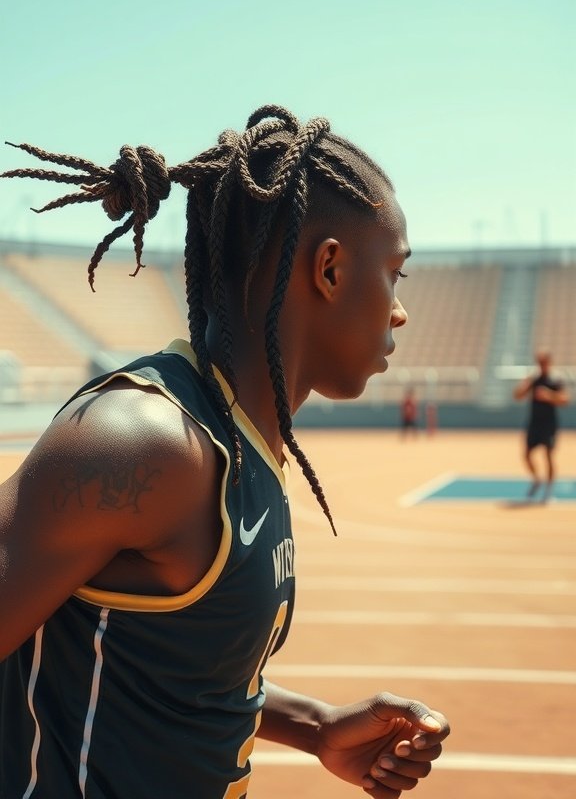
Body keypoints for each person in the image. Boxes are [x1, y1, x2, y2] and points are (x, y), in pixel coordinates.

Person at [0, 105, 449, 798]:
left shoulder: (241, 441)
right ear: (329, 269)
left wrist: (315, 726)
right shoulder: (144, 443)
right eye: (396, 274)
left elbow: (175, 672)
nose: (399, 310)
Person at [513, 349, 570, 502]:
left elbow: (565, 400)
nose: (541, 364)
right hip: (534, 423)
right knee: (526, 455)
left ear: (549, 362)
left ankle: (549, 489)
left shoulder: (555, 379)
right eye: (539, 361)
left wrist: (548, 395)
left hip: (549, 424)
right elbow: (517, 396)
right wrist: (525, 384)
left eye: (543, 361)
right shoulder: (534, 379)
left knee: (549, 455)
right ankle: (537, 479)